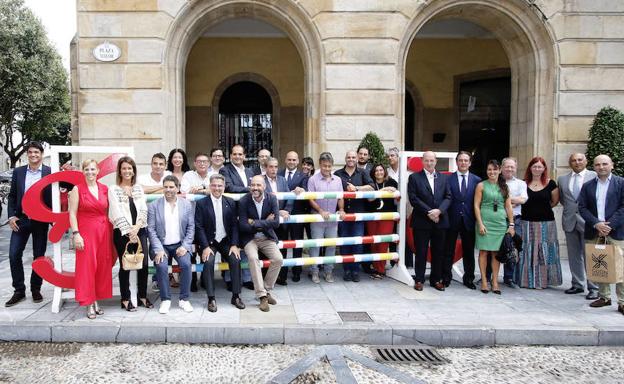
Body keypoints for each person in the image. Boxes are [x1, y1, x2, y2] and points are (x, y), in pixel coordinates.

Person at [5, 141, 51, 307]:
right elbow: (12, 196)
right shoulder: (18, 172)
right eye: (30, 152)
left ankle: (35, 288)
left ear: (41, 154)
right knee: (14, 254)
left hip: (41, 221)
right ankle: (19, 290)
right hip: (21, 220)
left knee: (39, 256)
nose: (33, 155)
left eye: (36, 152)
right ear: (27, 154)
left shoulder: (49, 172)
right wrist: (11, 217)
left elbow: (54, 196)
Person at [578, 155, 624, 315]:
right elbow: (582, 207)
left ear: (612, 165)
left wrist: (609, 225)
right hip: (595, 229)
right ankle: (604, 297)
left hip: (616, 230)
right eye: (597, 164)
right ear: (594, 167)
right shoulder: (588, 186)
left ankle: (622, 301)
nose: (601, 167)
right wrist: (596, 223)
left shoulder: (621, 183)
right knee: (599, 264)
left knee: (620, 266)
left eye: (605, 164)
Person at [68, 159, 114, 319]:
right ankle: (89, 303)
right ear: (83, 171)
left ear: (98, 171)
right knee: (87, 267)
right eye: (86, 169)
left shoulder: (104, 189)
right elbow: (72, 213)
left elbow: (110, 211)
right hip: (86, 231)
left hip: (103, 231)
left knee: (101, 266)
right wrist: (76, 234)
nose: (90, 172)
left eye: (93, 169)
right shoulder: (77, 189)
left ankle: (96, 300)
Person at [195, 174, 245, 312]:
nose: (217, 188)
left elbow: (235, 225)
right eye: (214, 185)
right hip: (209, 242)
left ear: (224, 187)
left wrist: (234, 245)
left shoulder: (230, 202)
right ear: (210, 186)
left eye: (220, 185)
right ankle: (211, 298)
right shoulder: (201, 203)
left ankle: (236, 296)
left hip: (225, 240)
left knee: (235, 259)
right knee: (208, 261)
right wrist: (204, 246)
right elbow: (198, 226)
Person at [108, 156, 152, 311]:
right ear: (120, 171)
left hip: (140, 231)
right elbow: (115, 212)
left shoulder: (138, 189)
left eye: (129, 168)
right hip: (121, 233)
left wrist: (137, 227)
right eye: (124, 168)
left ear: (134, 171)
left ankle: (142, 296)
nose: (127, 171)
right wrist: (129, 231)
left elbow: (143, 209)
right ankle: (125, 298)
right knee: (125, 265)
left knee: (144, 264)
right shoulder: (113, 189)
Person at [147, 175, 194, 314]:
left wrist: (185, 246)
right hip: (161, 246)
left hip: (180, 244)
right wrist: (158, 249)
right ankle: (165, 300)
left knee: (186, 265)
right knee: (161, 266)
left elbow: (191, 228)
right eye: (166, 187)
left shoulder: (186, 205)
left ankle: (184, 299)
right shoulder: (154, 205)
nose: (168, 190)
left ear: (178, 188)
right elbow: (151, 229)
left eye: (171, 187)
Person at [238, 175, 284, 312]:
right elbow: (243, 226)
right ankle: (262, 296)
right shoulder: (243, 201)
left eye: (258, 185)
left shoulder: (272, 199)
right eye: (253, 185)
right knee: (253, 258)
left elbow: (275, 223)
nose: (255, 188)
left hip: (266, 237)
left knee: (278, 259)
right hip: (249, 238)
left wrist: (254, 222)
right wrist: (265, 222)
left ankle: (266, 289)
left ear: (264, 186)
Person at [407, 151, 451, 291]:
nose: (429, 163)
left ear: (436, 161)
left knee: (438, 252)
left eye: (432, 160)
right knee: (421, 251)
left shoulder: (444, 178)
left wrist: (439, 211)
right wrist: (429, 212)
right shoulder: (414, 177)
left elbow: (448, 197)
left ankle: (435, 279)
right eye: (427, 160)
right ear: (422, 161)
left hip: (440, 220)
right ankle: (419, 279)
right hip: (422, 220)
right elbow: (413, 198)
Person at [516, 156, 562, 289]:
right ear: (530, 168)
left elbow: (554, 202)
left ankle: (542, 281)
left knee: (544, 251)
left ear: (544, 169)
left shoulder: (551, 183)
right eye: (534, 166)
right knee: (527, 251)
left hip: (546, 223)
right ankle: (526, 280)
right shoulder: (523, 183)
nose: (537, 169)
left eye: (539, 166)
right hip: (526, 222)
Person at [557, 153, 598, 300]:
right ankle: (577, 284)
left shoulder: (594, 176)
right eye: (573, 160)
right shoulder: (562, 179)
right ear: (570, 163)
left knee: (590, 255)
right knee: (573, 255)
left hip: (589, 221)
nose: (577, 162)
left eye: (580, 160)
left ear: (586, 161)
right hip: (570, 220)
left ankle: (594, 287)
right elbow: (563, 199)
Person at [474, 160, 515, 295]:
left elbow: (508, 206)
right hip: (485, 221)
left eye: (494, 170)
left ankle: (495, 281)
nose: (492, 172)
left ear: (499, 171)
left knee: (496, 253)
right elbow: (476, 205)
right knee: (484, 252)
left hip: (499, 224)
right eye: (489, 169)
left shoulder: (504, 187)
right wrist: (480, 223)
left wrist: (511, 224)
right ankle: (485, 281)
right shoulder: (481, 185)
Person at [335, 150, 374, 282]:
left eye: (353, 157)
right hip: (343, 214)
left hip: (358, 214)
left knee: (358, 242)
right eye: (348, 157)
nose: (351, 159)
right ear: (345, 159)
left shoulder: (363, 173)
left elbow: (372, 187)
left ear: (357, 159)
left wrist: (357, 188)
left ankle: (355, 270)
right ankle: (347, 270)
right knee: (344, 242)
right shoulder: (338, 174)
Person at [445, 151, 481, 289]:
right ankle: (446, 277)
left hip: (469, 220)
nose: (463, 163)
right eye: (461, 160)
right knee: (448, 250)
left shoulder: (477, 180)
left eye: (466, 160)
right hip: (451, 219)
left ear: (470, 163)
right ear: (456, 162)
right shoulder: (448, 179)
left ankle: (469, 279)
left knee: (468, 251)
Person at [308, 153, 345, 283]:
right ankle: (314, 272)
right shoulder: (313, 179)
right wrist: (320, 210)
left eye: (329, 166)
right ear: (320, 164)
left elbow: (340, 197)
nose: (327, 169)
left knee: (331, 246)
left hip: (333, 218)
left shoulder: (338, 180)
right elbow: (311, 199)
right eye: (324, 166)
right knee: (315, 245)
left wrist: (341, 209)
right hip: (317, 218)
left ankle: (328, 272)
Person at [497, 157, 528, 288]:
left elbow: (523, 199)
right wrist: (511, 202)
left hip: (516, 220)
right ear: (501, 168)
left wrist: (506, 201)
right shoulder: (495, 182)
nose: (509, 169)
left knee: (512, 248)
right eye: (507, 166)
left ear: (515, 168)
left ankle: (509, 277)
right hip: (498, 220)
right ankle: (488, 276)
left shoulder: (521, 183)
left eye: (512, 167)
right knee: (494, 248)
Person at [278, 151, 308, 282]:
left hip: (297, 215)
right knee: (282, 244)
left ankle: (296, 272)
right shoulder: (278, 174)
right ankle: (282, 273)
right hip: (281, 214)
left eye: (294, 160)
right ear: (285, 160)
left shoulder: (303, 176)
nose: (291, 162)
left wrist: (302, 190)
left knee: (297, 244)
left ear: (297, 161)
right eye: (289, 159)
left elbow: (306, 191)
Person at [264, 157, 295, 286]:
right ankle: (266, 278)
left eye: (276, 167)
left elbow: (289, 197)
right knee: (266, 251)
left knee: (282, 248)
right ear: (266, 167)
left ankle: (281, 277)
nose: (273, 169)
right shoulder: (261, 180)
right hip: (268, 220)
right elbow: (262, 201)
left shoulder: (282, 180)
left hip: (282, 221)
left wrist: (285, 211)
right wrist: (278, 212)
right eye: (271, 167)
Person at [365, 164, 398, 279]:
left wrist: (387, 189)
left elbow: (395, 192)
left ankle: (381, 269)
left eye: (381, 170)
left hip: (387, 217)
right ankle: (375, 267)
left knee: (383, 242)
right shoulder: (370, 184)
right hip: (372, 217)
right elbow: (370, 198)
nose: (379, 172)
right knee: (374, 242)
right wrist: (384, 190)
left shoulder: (391, 182)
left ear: (384, 171)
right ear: (373, 173)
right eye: (376, 170)